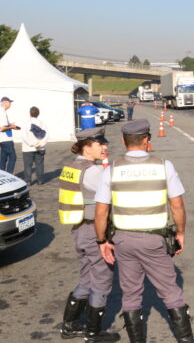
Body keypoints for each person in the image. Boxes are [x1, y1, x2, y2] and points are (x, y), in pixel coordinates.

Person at [94, 119, 194, 342]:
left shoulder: (112, 169)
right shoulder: (164, 165)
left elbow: (101, 211)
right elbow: (177, 205)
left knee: (131, 294)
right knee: (170, 290)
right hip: (154, 239)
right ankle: (186, 339)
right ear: (147, 139)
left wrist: (102, 241)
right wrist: (180, 232)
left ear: (123, 141)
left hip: (123, 240)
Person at [58, 128, 120, 342]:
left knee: (86, 279)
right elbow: (114, 194)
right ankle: (93, 333)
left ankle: (69, 326)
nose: (105, 147)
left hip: (79, 229)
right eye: (99, 144)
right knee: (102, 281)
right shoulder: (92, 172)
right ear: (87, 147)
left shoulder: (71, 167)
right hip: (95, 230)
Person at [21, 106, 48, 185]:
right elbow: (46, 135)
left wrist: (31, 143)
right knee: (39, 164)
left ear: (30, 114)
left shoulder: (26, 123)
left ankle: (28, 181)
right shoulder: (42, 123)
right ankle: (40, 180)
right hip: (40, 147)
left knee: (28, 165)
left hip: (28, 148)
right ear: (38, 114)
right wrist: (41, 143)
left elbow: (24, 136)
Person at [0, 96, 19, 174]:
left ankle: (1, 175)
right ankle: (9, 175)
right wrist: (12, 127)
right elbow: (2, 128)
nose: (10, 104)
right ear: (5, 103)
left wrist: (10, 125)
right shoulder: (2, 113)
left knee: (3, 159)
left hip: (1, 139)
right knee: (13, 157)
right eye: (9, 102)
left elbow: (1, 126)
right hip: (6, 139)